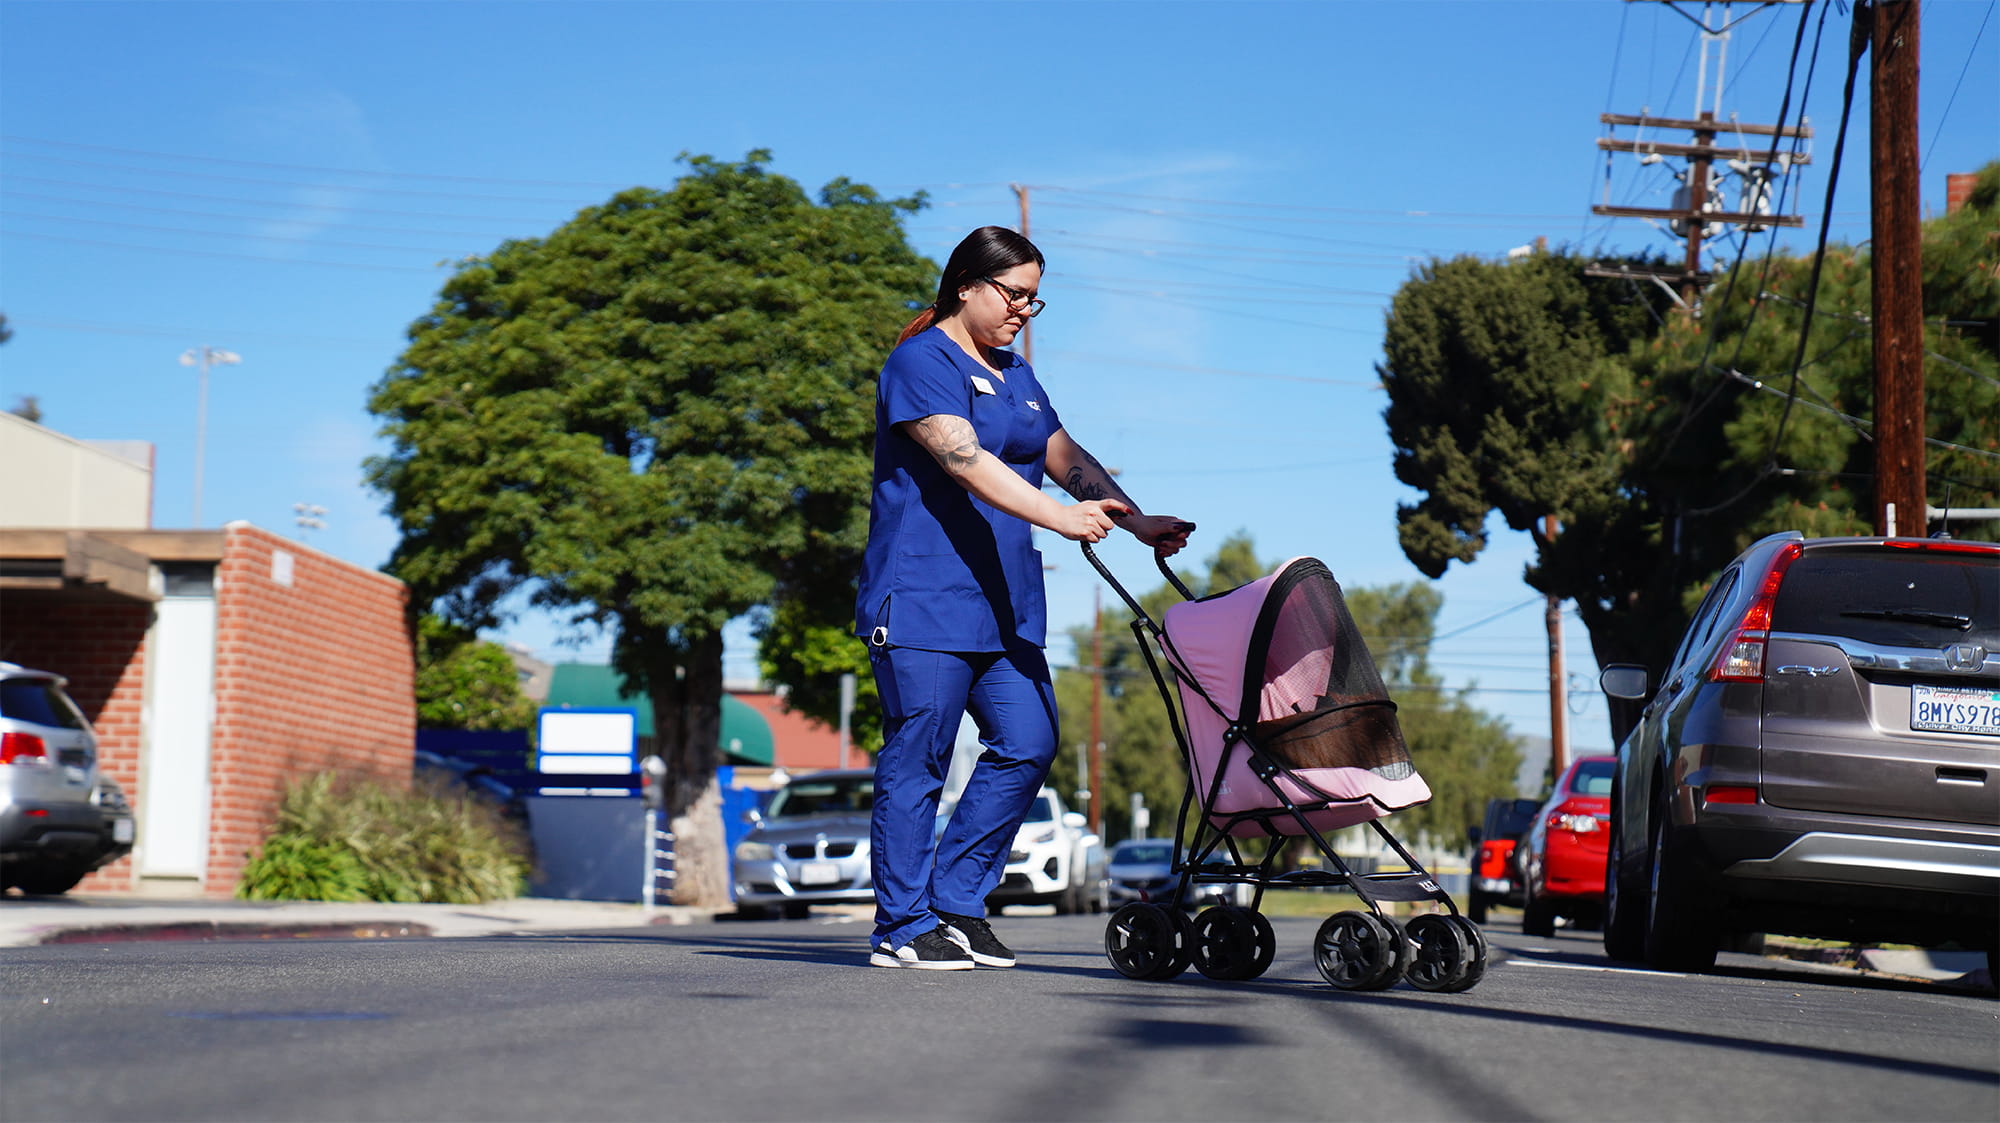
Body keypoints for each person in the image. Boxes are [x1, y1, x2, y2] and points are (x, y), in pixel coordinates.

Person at [856, 226, 1194, 969]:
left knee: (1030, 740)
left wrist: (1133, 521)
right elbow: (963, 458)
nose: (1023, 311)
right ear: (966, 284)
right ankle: (901, 925)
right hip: (924, 600)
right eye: (1014, 295)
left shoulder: (1017, 375)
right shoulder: (921, 362)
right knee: (921, 758)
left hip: (1004, 606)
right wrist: (1060, 517)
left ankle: (955, 903)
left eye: (1035, 300)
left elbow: (1066, 456)